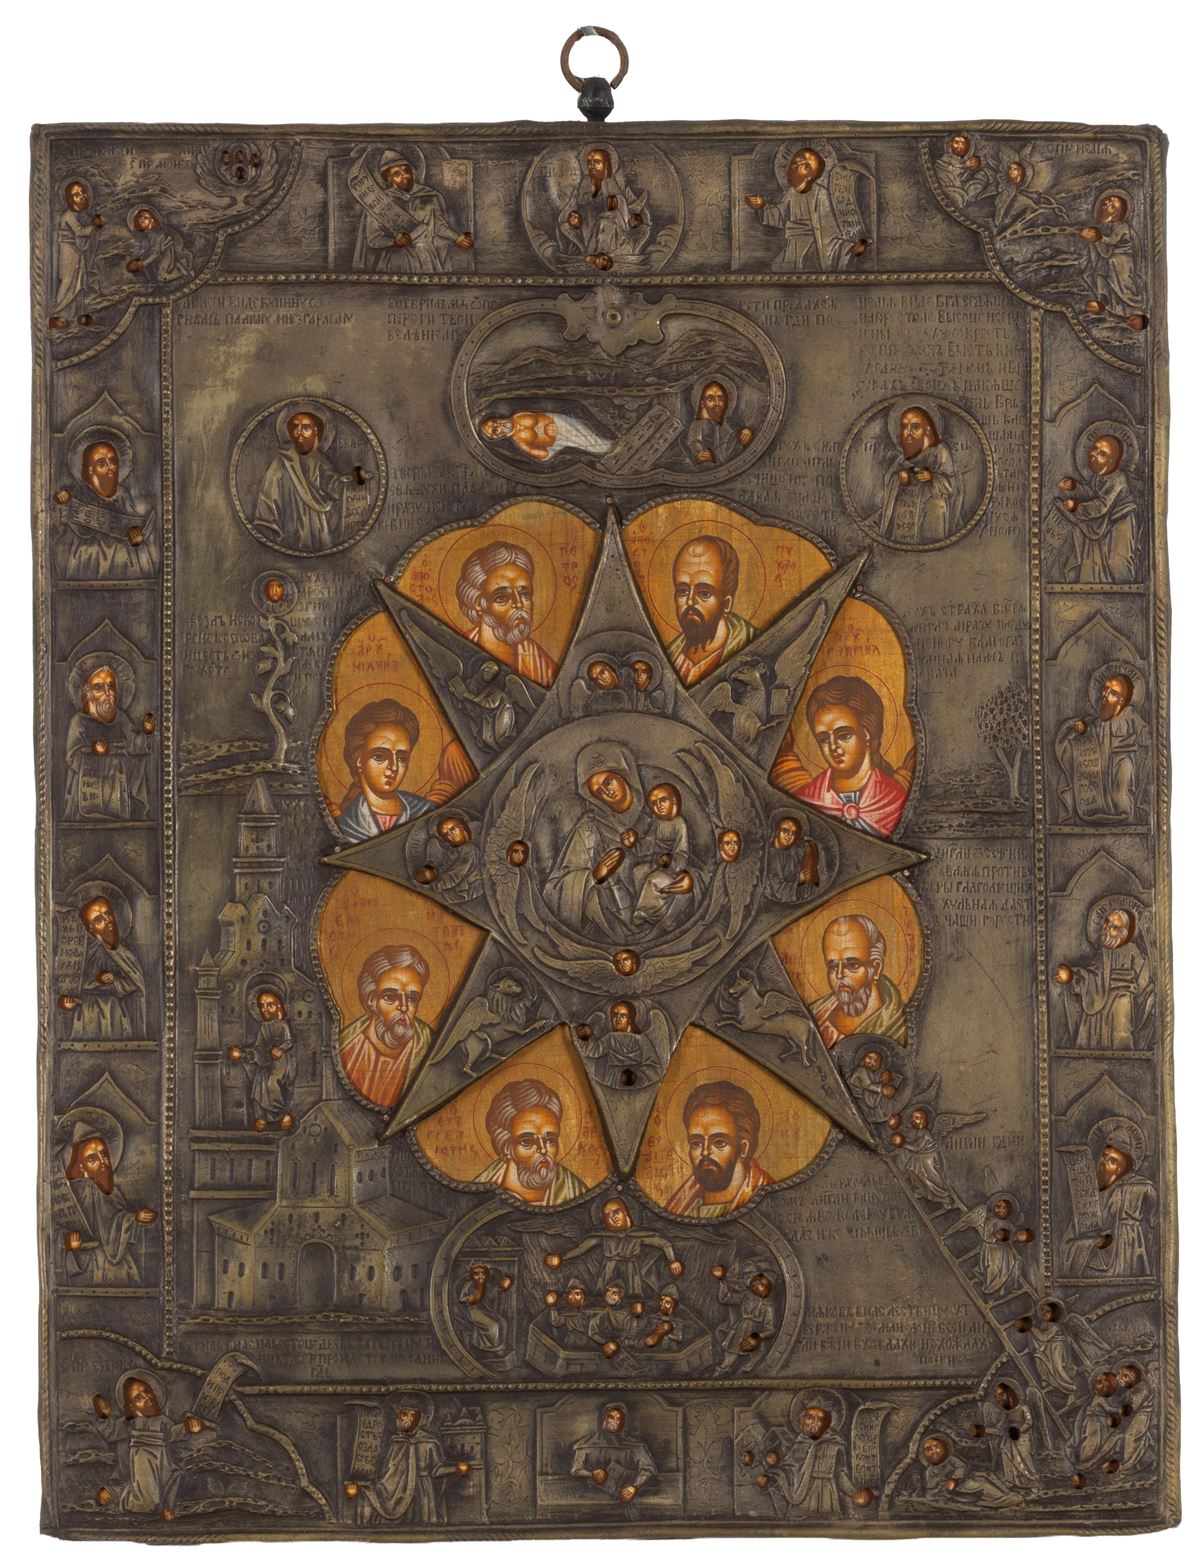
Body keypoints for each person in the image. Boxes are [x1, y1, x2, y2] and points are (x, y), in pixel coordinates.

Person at [772, 675, 908, 837]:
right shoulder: (807, 799)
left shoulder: (894, 799)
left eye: (844, 735)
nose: (833, 747)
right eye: (823, 739)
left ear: (866, 733)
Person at [546, 747, 642, 934]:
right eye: (598, 792)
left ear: (624, 776)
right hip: (615, 921)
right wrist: (593, 877)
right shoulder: (589, 827)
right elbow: (554, 890)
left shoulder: (657, 812)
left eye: (608, 782)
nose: (607, 792)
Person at [252, 407, 371, 553]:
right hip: (292, 529)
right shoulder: (282, 462)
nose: (299, 432)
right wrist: (268, 526)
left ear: (316, 432)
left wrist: (352, 478)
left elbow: (334, 487)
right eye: (295, 427)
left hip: (321, 528)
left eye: (306, 428)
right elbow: (268, 497)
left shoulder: (322, 461)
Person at [93, 1373, 205, 1517]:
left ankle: (167, 1508)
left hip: (163, 1461)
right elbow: (112, 1432)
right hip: (142, 1460)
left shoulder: (163, 1422)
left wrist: (189, 1427)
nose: (146, 1398)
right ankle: (116, 1493)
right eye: (138, 1398)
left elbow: (173, 1433)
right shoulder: (130, 1422)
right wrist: (104, 1416)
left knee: (172, 1478)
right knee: (147, 1502)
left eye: (147, 1392)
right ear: (132, 1407)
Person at [349, 148, 474, 273]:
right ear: (388, 179)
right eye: (397, 174)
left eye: (406, 171)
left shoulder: (429, 196)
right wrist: (394, 241)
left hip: (425, 257)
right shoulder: (380, 201)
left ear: (412, 172)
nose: (404, 176)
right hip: (395, 260)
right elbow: (373, 239)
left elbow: (439, 226)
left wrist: (457, 238)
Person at [338, 946, 433, 1109]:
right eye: (390, 997)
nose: (403, 1007)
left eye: (412, 999)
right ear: (371, 1000)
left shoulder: (431, 1048)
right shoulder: (346, 1048)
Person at [60, 1127, 157, 1285]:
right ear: (82, 1167)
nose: (102, 1161)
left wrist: (134, 1218)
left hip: (115, 1264)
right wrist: (68, 1240)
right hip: (87, 1264)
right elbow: (57, 1226)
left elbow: (115, 1220)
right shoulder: (75, 1193)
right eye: (92, 1159)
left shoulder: (112, 1191)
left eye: (103, 1154)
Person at [745, 147, 868, 271]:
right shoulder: (790, 193)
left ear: (809, 174)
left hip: (813, 248)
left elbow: (830, 235)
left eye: (803, 165)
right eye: (793, 163)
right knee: (779, 267)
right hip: (792, 246)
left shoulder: (821, 194)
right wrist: (762, 206)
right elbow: (780, 217)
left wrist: (851, 249)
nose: (793, 167)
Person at [54, 435, 158, 580]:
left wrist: (136, 535)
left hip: (123, 557)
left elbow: (132, 523)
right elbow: (65, 526)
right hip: (87, 556)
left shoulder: (122, 494)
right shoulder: (80, 492)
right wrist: (63, 501)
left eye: (112, 461)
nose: (110, 467)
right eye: (101, 463)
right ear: (90, 469)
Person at [665, 1080, 774, 1217]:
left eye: (719, 1142)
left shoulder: (769, 1202)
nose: (705, 1152)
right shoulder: (679, 1208)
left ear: (743, 1148)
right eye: (696, 1143)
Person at [455, 541, 558, 684]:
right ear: (479, 603)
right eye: (502, 598)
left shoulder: (541, 664)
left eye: (525, 594)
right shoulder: (458, 650)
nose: (518, 604)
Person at [1053, 904, 1153, 1050]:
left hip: (1121, 1004)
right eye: (1106, 922)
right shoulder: (1103, 953)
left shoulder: (1132, 950)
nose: (1107, 928)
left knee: (1121, 1040)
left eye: (1114, 927)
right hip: (1100, 1002)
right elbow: (1093, 977)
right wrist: (1072, 975)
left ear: (1123, 934)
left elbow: (1144, 978)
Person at [65, 659, 153, 822]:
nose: (107, 693)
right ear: (88, 693)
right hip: (89, 789)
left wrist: (146, 732)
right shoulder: (79, 722)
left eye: (110, 686)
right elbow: (72, 756)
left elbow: (133, 744)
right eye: (98, 688)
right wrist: (93, 750)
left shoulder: (120, 718)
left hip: (118, 787)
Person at [475, 1078, 588, 1205]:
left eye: (550, 1140)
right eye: (527, 1142)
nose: (543, 1149)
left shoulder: (576, 1192)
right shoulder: (478, 1193)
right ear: (507, 1147)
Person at [1063, 1122, 1154, 1277]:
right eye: (1104, 1157)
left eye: (1113, 1161)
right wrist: (1093, 1243)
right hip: (1099, 1263)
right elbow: (1069, 1241)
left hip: (1130, 1254)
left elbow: (1153, 1221)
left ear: (1123, 1167)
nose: (1104, 1164)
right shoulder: (1093, 1195)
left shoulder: (1142, 1187)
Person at [548, 1197, 684, 1301]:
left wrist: (672, 1260)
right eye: (608, 1215)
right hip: (608, 1270)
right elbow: (582, 1248)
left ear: (625, 1212)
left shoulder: (638, 1234)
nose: (613, 1217)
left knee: (633, 1299)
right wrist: (562, 1258)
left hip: (631, 1271)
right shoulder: (604, 1234)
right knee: (602, 1300)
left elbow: (664, 1243)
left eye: (616, 1212)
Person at [1054, 672, 1147, 824]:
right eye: (1105, 690)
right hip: (1099, 767)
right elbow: (1082, 728)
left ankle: (1125, 816)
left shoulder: (1131, 719)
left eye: (1113, 693)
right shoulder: (1096, 722)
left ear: (1121, 700)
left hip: (1122, 761)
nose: (1105, 695)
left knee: (1120, 793)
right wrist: (1078, 728)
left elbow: (1146, 734)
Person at [354, 1401, 469, 1523]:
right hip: (396, 1491)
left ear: (419, 1419)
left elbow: (436, 1470)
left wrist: (456, 1468)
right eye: (403, 1415)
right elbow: (388, 1473)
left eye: (412, 1416)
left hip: (422, 1491)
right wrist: (371, 1488)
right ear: (397, 1418)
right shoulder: (395, 1443)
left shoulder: (429, 1442)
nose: (407, 1420)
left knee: (422, 1523)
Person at [335, 699, 432, 842]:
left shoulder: (425, 811)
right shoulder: (347, 826)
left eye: (402, 758)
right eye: (379, 756)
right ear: (359, 760)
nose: (394, 767)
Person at [666, 536, 756, 686]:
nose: (690, 601)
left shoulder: (751, 653)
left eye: (704, 593)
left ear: (726, 604)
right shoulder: (667, 657)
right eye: (683, 591)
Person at [811, 915, 908, 1048]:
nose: (839, 975)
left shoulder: (898, 1027)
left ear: (876, 968)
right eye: (832, 966)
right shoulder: (815, 1014)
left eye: (852, 965)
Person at [1057, 433, 1139, 583]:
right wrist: (1075, 486)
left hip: (1120, 524)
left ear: (1112, 461)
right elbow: (1091, 494)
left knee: (1117, 561)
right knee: (1094, 561)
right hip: (1103, 524)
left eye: (1102, 454)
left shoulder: (1118, 479)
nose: (1094, 455)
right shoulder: (1098, 477)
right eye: (1094, 449)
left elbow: (1101, 505)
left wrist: (1076, 507)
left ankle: (1125, 591)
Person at [62, 895, 146, 1039]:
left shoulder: (126, 955)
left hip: (115, 1012)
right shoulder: (85, 954)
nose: (108, 922)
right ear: (91, 928)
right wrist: (67, 1002)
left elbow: (136, 985)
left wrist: (114, 980)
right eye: (99, 920)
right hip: (88, 1013)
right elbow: (70, 986)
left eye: (108, 914)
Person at [557, 147, 651, 270]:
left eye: (597, 162)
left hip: (612, 225)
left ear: (606, 165)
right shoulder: (585, 184)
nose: (592, 166)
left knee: (604, 223)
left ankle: (605, 254)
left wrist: (612, 203)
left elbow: (619, 209)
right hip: (589, 226)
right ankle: (591, 254)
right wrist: (576, 219)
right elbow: (581, 207)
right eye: (589, 163)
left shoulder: (610, 182)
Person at [878, 405, 961, 545]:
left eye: (915, 427)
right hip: (906, 504)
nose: (908, 432)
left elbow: (951, 485)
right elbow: (890, 478)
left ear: (927, 429)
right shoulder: (903, 456)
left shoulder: (940, 452)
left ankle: (933, 549)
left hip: (931, 504)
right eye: (904, 427)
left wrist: (931, 477)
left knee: (936, 506)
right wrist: (899, 477)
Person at [632, 782, 696, 928]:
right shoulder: (658, 822)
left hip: (673, 871)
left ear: (673, 800)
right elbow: (649, 843)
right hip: (656, 865)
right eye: (654, 803)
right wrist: (634, 843)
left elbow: (682, 854)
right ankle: (650, 910)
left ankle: (646, 914)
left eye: (663, 800)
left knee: (653, 880)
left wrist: (670, 861)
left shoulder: (679, 823)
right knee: (638, 872)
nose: (659, 806)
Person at [569, 1404, 656, 1509]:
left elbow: (647, 1469)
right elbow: (576, 1470)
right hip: (592, 1497)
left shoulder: (635, 1445)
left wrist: (634, 1487)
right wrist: (591, 1474)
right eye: (611, 1417)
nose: (615, 1422)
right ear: (603, 1418)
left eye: (619, 1419)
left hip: (626, 1497)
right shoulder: (585, 1444)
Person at [235, 989, 295, 1132]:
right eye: (262, 1006)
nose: (265, 1009)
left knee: (272, 1085)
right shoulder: (264, 1026)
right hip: (266, 1061)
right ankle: (261, 1117)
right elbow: (259, 1047)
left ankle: (280, 1114)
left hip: (280, 1062)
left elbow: (289, 1041)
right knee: (258, 1084)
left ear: (279, 1007)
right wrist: (244, 1053)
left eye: (270, 1005)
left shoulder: (282, 1025)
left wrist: (280, 1049)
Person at [1081, 193, 1146, 323]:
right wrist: (1093, 239)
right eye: (1105, 203)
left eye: (1111, 206)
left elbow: (1112, 240)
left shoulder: (1121, 226)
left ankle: (1126, 308)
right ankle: (1104, 302)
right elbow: (1105, 252)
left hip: (1123, 261)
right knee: (1100, 272)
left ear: (1116, 213)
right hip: (1110, 259)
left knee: (1110, 266)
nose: (1106, 206)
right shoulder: (1105, 226)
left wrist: (1099, 237)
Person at [50, 179, 102, 326]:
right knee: (68, 281)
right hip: (68, 251)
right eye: (76, 195)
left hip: (77, 251)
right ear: (69, 199)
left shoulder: (81, 215)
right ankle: (59, 312)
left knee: (79, 282)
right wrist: (94, 226)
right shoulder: (69, 215)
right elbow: (79, 232)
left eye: (83, 192)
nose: (82, 196)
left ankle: (76, 315)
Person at [480, 412, 615, 465]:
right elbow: (544, 455)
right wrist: (551, 441)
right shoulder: (519, 441)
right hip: (559, 438)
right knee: (590, 444)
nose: (498, 425)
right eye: (495, 430)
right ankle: (612, 451)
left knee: (590, 435)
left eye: (494, 421)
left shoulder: (518, 415)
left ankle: (613, 446)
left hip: (560, 422)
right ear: (498, 436)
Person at [686, 381, 753, 466]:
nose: (717, 403)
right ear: (703, 403)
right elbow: (693, 445)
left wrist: (746, 435)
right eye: (710, 399)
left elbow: (733, 445)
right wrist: (699, 456)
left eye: (720, 398)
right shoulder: (698, 425)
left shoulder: (727, 425)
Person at [122, 205, 192, 287]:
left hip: (166, 256)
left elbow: (155, 252)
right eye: (140, 217)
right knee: (144, 259)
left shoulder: (157, 234)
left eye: (146, 218)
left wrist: (143, 263)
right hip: (155, 257)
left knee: (162, 277)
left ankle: (181, 272)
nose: (142, 220)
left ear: (152, 221)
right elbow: (145, 250)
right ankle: (153, 281)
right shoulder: (146, 236)